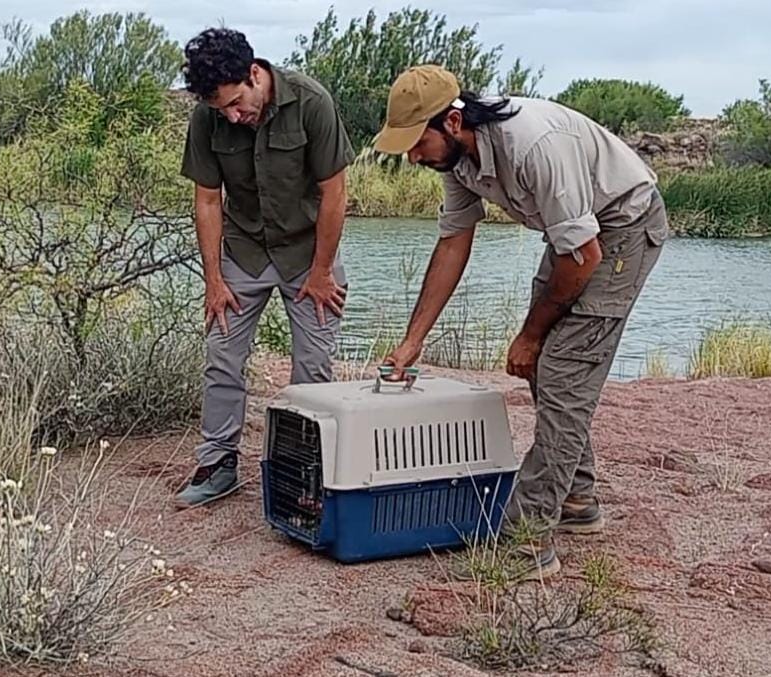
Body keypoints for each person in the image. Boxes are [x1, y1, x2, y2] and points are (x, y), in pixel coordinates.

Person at [374, 65, 668, 579]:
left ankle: (526, 541)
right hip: (578, 239)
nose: (413, 157)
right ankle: (577, 501)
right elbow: (453, 242)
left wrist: (530, 335)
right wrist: (412, 341)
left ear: (452, 122)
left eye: (417, 143)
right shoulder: (458, 160)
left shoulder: (533, 147)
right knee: (546, 370)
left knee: (562, 373)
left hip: (622, 227)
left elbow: (583, 258)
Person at [175, 28, 356, 508]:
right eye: (222, 111)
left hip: (309, 253)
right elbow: (208, 201)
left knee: (312, 368)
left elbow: (336, 194)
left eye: (237, 103)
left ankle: (305, 474)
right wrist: (214, 280)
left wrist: (321, 273)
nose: (233, 116)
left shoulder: (312, 101)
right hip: (243, 251)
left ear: (255, 74)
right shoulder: (208, 118)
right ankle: (218, 463)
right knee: (222, 354)